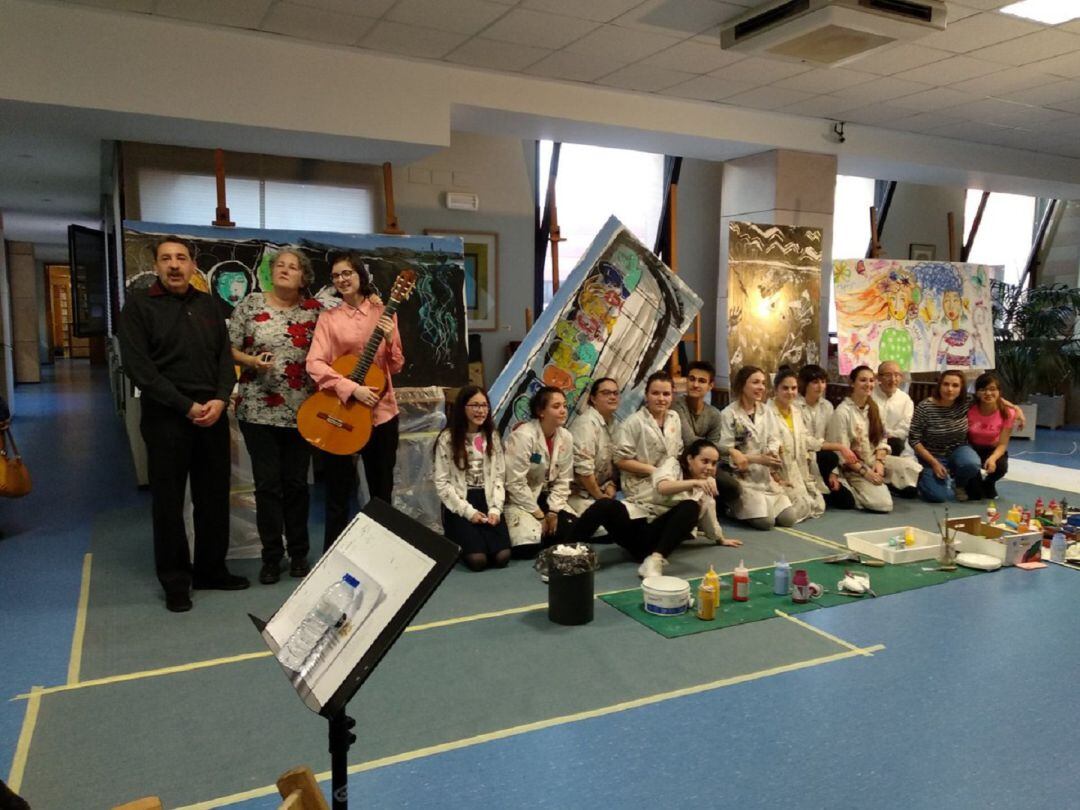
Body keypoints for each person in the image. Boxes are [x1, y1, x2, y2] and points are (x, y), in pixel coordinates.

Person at [118, 236, 248, 612]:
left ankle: (211, 570)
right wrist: (186, 405)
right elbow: (140, 369)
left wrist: (221, 398)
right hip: (166, 418)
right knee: (169, 503)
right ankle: (176, 581)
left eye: (181, 258)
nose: (174, 265)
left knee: (213, 498)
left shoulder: (207, 305)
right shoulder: (139, 308)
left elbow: (225, 359)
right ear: (156, 266)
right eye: (165, 259)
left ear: (193, 265)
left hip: (212, 414)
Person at [229, 247, 321, 584]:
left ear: (303, 276)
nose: (284, 270)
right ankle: (271, 557)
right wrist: (252, 362)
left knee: (297, 484)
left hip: (303, 412)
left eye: (292, 266)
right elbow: (229, 346)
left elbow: (329, 350)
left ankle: (298, 554)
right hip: (258, 409)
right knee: (267, 486)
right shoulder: (251, 304)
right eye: (279, 265)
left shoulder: (315, 311)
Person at [306, 251, 404, 551]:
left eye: (347, 273)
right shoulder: (328, 319)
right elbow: (314, 363)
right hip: (342, 411)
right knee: (337, 490)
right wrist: (350, 387)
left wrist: (389, 340)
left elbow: (396, 364)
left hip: (382, 413)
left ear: (360, 275)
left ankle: (380, 550)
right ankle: (332, 555)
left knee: (381, 490)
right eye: (336, 276)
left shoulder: (385, 312)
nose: (341, 279)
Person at [635, 439, 741, 578]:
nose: (709, 467)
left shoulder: (705, 483)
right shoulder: (673, 465)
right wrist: (695, 483)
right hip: (640, 522)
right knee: (606, 506)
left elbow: (710, 509)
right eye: (705, 461)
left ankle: (654, 560)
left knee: (691, 507)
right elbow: (663, 487)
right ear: (690, 458)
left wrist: (720, 539)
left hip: (658, 537)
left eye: (714, 463)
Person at [433, 386, 511, 572]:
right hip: (460, 502)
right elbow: (442, 484)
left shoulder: (491, 436)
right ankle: (456, 537)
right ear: (462, 408)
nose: (481, 410)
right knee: (478, 561)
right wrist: (468, 512)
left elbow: (499, 476)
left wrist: (495, 509)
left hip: (487, 498)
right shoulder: (447, 439)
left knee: (502, 557)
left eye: (484, 405)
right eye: (474, 405)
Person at [718, 366, 796, 530]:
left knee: (789, 518)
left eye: (762, 383)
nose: (761, 387)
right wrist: (756, 459)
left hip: (765, 477)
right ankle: (729, 508)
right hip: (743, 477)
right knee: (766, 523)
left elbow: (774, 438)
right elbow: (726, 449)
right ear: (742, 385)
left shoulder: (766, 411)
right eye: (755, 382)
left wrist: (772, 453)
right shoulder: (729, 413)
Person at [671, 360, 742, 509]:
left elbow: (712, 451)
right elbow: (690, 441)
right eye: (691, 379)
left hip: (704, 464)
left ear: (710, 386)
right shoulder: (677, 405)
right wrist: (730, 450)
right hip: (680, 462)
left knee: (733, 487)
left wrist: (709, 468)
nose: (695, 384)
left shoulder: (714, 414)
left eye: (702, 381)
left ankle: (716, 507)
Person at [613, 371, 684, 519]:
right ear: (646, 395)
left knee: (693, 496)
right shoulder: (633, 423)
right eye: (655, 393)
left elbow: (677, 452)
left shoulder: (674, 418)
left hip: (670, 478)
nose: (661, 399)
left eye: (666, 394)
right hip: (640, 481)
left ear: (672, 396)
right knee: (680, 501)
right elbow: (620, 460)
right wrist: (654, 471)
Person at [825, 366, 893, 513]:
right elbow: (843, 453)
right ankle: (854, 489)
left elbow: (883, 439)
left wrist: (879, 462)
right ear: (852, 383)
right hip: (855, 468)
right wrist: (866, 473)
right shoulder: (843, 412)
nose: (868, 384)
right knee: (884, 504)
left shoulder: (875, 408)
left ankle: (882, 484)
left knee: (909, 469)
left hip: (874, 458)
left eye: (871, 380)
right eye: (863, 380)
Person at [909, 370, 983, 503]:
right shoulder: (925, 407)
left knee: (972, 463)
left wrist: (1016, 409)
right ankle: (923, 477)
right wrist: (934, 463)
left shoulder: (967, 401)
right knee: (938, 496)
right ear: (939, 385)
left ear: (962, 388)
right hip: (932, 454)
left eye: (955, 385)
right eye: (946, 384)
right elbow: (914, 440)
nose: (950, 389)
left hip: (958, 448)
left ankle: (959, 484)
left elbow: (992, 397)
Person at [767, 368, 824, 523]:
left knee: (818, 505)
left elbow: (804, 438)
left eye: (793, 388)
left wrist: (826, 445)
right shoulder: (767, 413)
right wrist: (775, 476)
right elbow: (767, 446)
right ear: (776, 389)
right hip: (775, 471)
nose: (790, 392)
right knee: (797, 510)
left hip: (796, 467)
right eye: (785, 388)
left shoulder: (796, 411)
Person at [796, 364, 857, 510]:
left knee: (847, 502)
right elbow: (804, 440)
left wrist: (833, 473)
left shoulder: (827, 406)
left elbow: (831, 436)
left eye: (823, 382)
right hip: (802, 456)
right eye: (815, 382)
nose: (820, 386)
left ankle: (825, 484)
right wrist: (836, 447)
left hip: (825, 457)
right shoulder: (795, 406)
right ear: (805, 384)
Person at [872, 360, 920, 497]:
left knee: (911, 485)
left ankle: (891, 481)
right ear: (879, 377)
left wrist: (887, 435)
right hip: (872, 440)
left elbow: (906, 426)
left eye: (897, 375)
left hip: (895, 442)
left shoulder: (905, 399)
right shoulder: (870, 395)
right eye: (888, 375)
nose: (893, 379)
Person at [967, 372, 1016, 500]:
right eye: (983, 389)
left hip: (992, 449)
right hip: (971, 449)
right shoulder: (969, 409)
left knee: (1000, 467)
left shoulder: (1007, 413)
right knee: (975, 495)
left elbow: (1003, 444)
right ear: (977, 392)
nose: (988, 393)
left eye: (992, 389)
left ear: (999, 392)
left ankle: (989, 483)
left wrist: (993, 458)